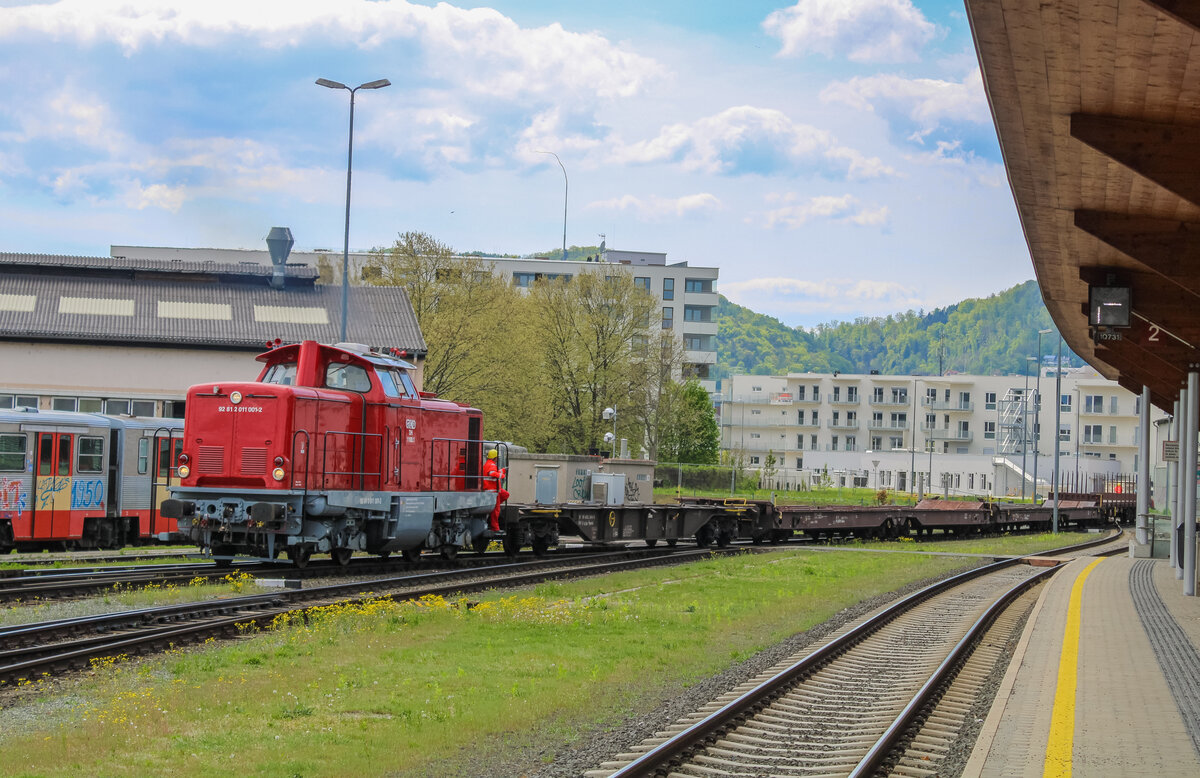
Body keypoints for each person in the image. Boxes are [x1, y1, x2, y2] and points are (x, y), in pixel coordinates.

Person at [482, 449, 509, 532]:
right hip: (493, 491)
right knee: (496, 511)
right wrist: (502, 475)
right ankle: (495, 528)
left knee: (505, 494)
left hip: (493, 490)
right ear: (495, 458)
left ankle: (492, 511)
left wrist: (503, 470)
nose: (498, 459)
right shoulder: (492, 465)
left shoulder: (487, 464)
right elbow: (492, 473)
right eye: (497, 457)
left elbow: (493, 471)